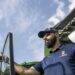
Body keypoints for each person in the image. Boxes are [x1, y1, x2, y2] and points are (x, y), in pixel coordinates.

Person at [1, 27, 75, 75]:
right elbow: (25, 72)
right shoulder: (45, 61)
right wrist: (7, 59)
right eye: (43, 37)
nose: (44, 38)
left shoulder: (72, 48)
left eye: (47, 34)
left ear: (56, 34)